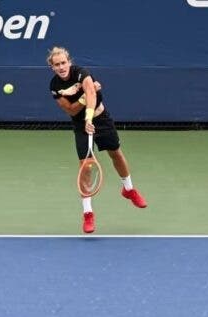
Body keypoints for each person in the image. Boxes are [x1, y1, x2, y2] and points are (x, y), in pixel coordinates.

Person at [48, 46, 147, 234]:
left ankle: (129, 189)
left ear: (69, 62)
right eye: (56, 65)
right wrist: (83, 103)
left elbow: (92, 94)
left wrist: (88, 116)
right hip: (80, 126)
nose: (61, 67)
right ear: (52, 67)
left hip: (101, 119)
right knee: (86, 166)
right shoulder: (55, 86)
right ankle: (88, 213)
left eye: (63, 63)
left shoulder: (81, 73)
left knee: (115, 153)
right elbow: (70, 110)